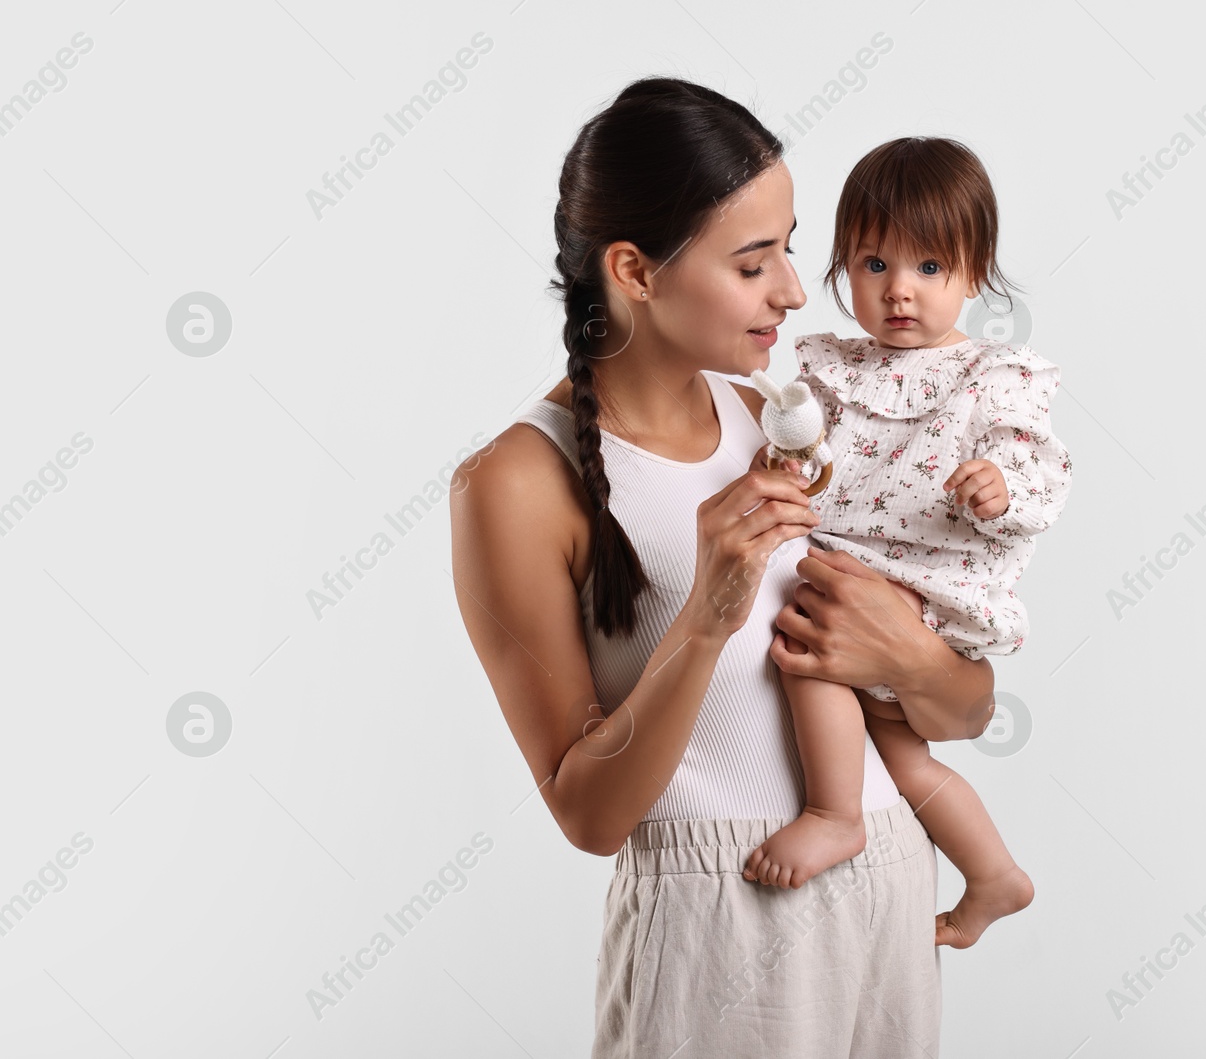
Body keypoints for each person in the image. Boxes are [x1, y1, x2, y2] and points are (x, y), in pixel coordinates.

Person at [448, 77, 996, 1058]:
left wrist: (909, 658)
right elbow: (589, 814)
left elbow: (964, 711)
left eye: (787, 248)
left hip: (890, 874)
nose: (793, 289)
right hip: (725, 909)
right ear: (634, 269)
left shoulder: (774, 422)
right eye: (753, 263)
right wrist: (706, 609)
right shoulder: (515, 483)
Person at [739, 137, 1073, 951]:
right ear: (842, 267)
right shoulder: (833, 368)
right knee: (905, 757)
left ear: (973, 269)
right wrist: (785, 455)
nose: (898, 292)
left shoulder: (991, 376)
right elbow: (803, 445)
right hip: (858, 567)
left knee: (803, 652)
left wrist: (999, 487)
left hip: (924, 586)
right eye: (872, 263)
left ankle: (833, 813)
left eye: (929, 268)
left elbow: (1042, 470)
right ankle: (994, 873)